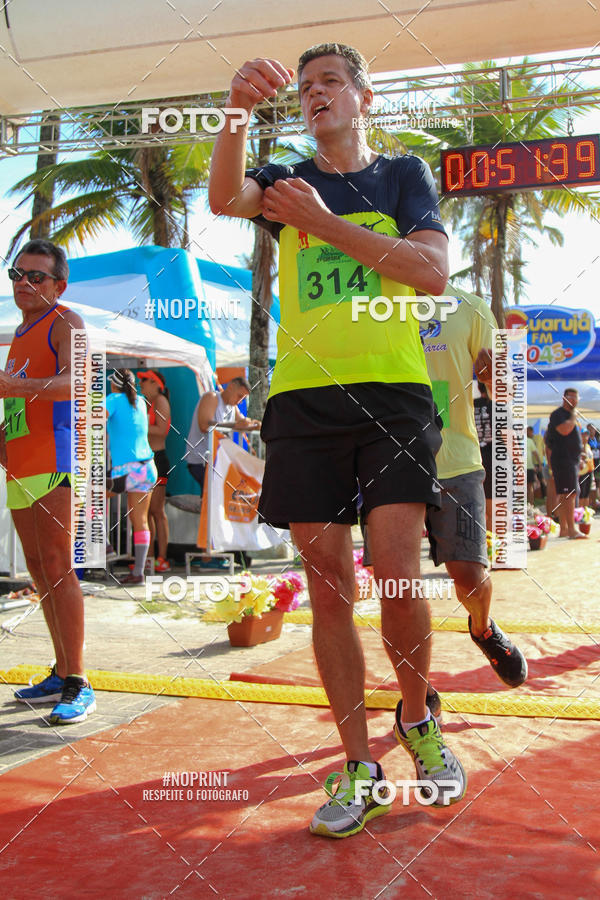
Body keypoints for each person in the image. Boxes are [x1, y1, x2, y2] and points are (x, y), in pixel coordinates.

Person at [209, 43, 466, 838]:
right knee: (329, 593)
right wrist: (236, 111)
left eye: (331, 84)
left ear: (364, 97)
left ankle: (418, 720)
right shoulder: (284, 173)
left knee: (395, 575)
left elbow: (429, 273)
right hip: (305, 403)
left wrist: (322, 225)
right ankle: (357, 764)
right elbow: (223, 200)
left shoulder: (402, 176)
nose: (316, 95)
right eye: (307, 87)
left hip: (391, 399)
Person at [0, 239, 95, 724]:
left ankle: (78, 680)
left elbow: (78, 382)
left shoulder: (67, 321)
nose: (24, 283)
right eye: (17, 273)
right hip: (21, 461)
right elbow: (18, 404)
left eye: (36, 276)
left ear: (59, 284)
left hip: (58, 460)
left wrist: (11, 386)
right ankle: (60, 670)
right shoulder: (20, 332)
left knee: (58, 568)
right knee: (39, 574)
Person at [421, 288, 527, 697]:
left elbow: (506, 397)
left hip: (457, 460)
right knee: (397, 585)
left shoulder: (471, 308)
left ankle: (482, 627)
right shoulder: (373, 303)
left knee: (469, 577)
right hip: (389, 461)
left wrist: (492, 379)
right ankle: (418, 694)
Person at [106, 369, 157, 583]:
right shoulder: (141, 401)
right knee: (140, 520)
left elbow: (93, 421)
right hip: (148, 468)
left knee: (87, 495)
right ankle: (138, 573)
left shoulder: (113, 399)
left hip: (125, 469)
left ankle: (104, 546)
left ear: (113, 384)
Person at [184, 377, 257, 491]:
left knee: (215, 498)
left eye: (243, 398)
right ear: (231, 386)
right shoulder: (212, 397)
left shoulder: (233, 407)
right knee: (214, 496)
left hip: (216, 462)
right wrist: (234, 425)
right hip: (201, 460)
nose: (240, 401)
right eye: (239, 396)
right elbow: (204, 425)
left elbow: (244, 423)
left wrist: (257, 425)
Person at [137, 370, 171, 572]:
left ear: (155, 383)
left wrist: (138, 426)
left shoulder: (160, 401)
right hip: (146, 459)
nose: (140, 384)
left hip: (158, 459)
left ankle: (162, 557)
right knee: (146, 513)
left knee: (157, 511)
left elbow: (162, 430)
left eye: (143, 381)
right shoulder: (147, 402)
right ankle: (148, 558)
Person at [546, 388, 586, 538]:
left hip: (571, 461)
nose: (575, 400)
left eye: (577, 398)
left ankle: (564, 529)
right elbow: (564, 430)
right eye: (572, 397)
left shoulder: (568, 416)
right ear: (564, 398)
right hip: (563, 461)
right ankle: (572, 530)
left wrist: (579, 457)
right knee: (570, 494)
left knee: (565, 495)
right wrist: (574, 415)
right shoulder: (559, 415)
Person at [473, 382, 493, 530]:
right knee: (494, 507)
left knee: (480, 505)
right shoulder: (497, 406)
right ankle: (493, 543)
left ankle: (487, 541)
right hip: (494, 459)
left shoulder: (471, 404)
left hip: (473, 457)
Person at [526, 425, 542, 507]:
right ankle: (521, 506)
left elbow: (536, 454)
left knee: (530, 486)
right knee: (521, 487)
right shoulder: (515, 440)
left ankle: (531, 505)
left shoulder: (529, 441)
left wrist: (539, 464)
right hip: (519, 467)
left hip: (529, 467)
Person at [578, 429, 595, 506]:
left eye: (586, 434)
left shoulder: (588, 446)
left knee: (587, 492)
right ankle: (581, 511)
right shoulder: (579, 445)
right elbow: (583, 457)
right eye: (583, 434)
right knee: (582, 492)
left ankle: (585, 510)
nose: (585, 436)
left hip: (589, 470)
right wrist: (584, 444)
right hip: (583, 472)